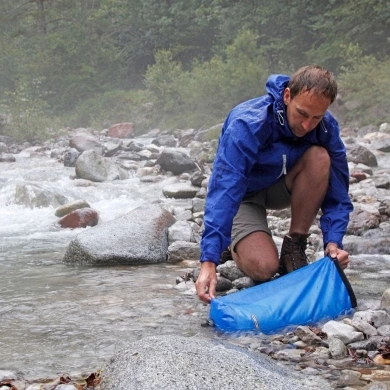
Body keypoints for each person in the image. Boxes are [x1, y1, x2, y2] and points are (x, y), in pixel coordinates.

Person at [196, 64, 353, 304]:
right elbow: (225, 190)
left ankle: (294, 246)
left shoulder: (326, 127)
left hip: (283, 186)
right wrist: (208, 261)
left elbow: (339, 193)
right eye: (302, 113)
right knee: (264, 268)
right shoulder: (247, 123)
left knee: (320, 157)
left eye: (316, 117)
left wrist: (333, 243)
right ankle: (231, 245)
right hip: (244, 196)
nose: (307, 126)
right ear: (287, 96)